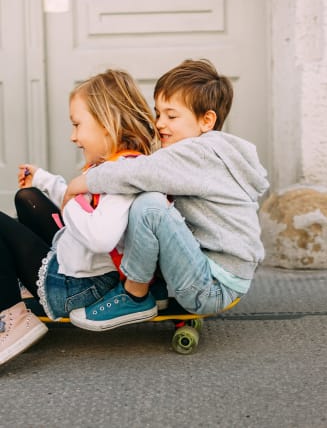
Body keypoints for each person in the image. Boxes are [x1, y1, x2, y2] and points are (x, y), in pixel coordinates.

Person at [65, 59, 269, 331]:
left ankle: (134, 295)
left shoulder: (200, 153)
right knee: (152, 202)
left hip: (213, 286)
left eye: (171, 116)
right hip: (211, 272)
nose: (160, 123)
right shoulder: (208, 152)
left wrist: (84, 182)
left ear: (206, 120)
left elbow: (139, 172)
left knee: (149, 205)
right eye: (157, 113)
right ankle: (155, 290)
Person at [0, 69, 158, 366]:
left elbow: (100, 236)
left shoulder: (119, 177)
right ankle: (17, 278)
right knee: (27, 198)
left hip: (74, 288)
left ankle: (11, 320)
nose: (73, 136)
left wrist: (72, 200)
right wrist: (46, 180)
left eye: (77, 125)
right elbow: (86, 206)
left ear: (107, 124)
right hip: (78, 269)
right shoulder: (121, 165)